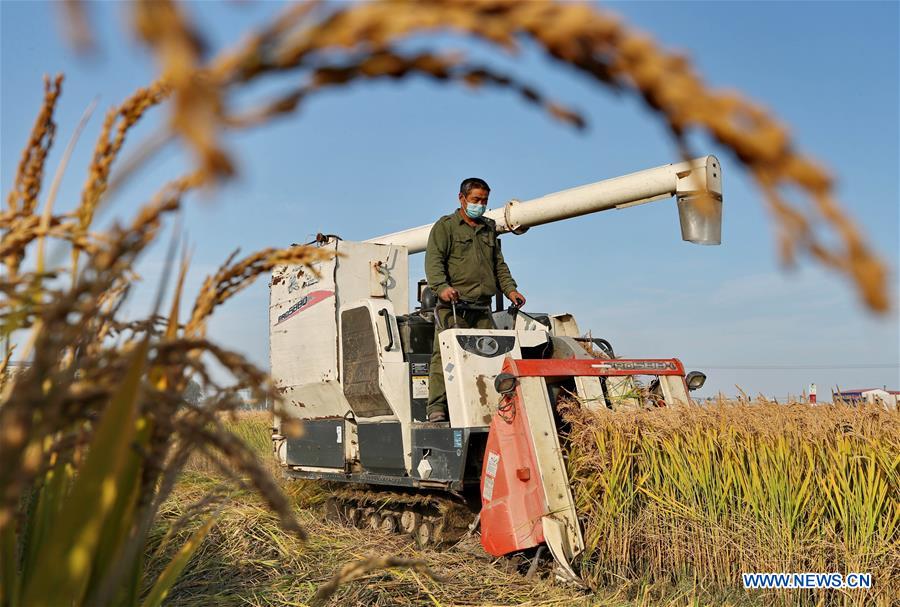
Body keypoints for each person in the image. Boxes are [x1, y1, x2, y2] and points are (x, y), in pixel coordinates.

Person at [424, 177, 526, 422]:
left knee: (491, 357)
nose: (480, 205)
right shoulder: (446, 227)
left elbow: (498, 265)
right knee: (445, 356)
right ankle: (436, 407)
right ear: (462, 198)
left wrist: (511, 290)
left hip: (482, 308)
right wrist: (442, 287)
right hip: (454, 307)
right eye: (476, 200)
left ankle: (491, 404)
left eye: (484, 201)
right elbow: (434, 261)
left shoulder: (488, 228)